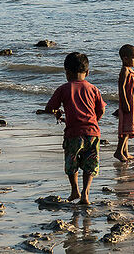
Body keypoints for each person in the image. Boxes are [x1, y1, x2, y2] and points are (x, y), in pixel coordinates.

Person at [45, 52, 105, 205]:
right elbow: (101, 110)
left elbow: (50, 107)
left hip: (73, 134)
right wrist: (94, 121)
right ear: (87, 72)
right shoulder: (93, 89)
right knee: (90, 164)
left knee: (71, 163)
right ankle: (85, 193)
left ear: (67, 72)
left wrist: (57, 113)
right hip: (93, 133)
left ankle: (74, 190)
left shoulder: (64, 89)